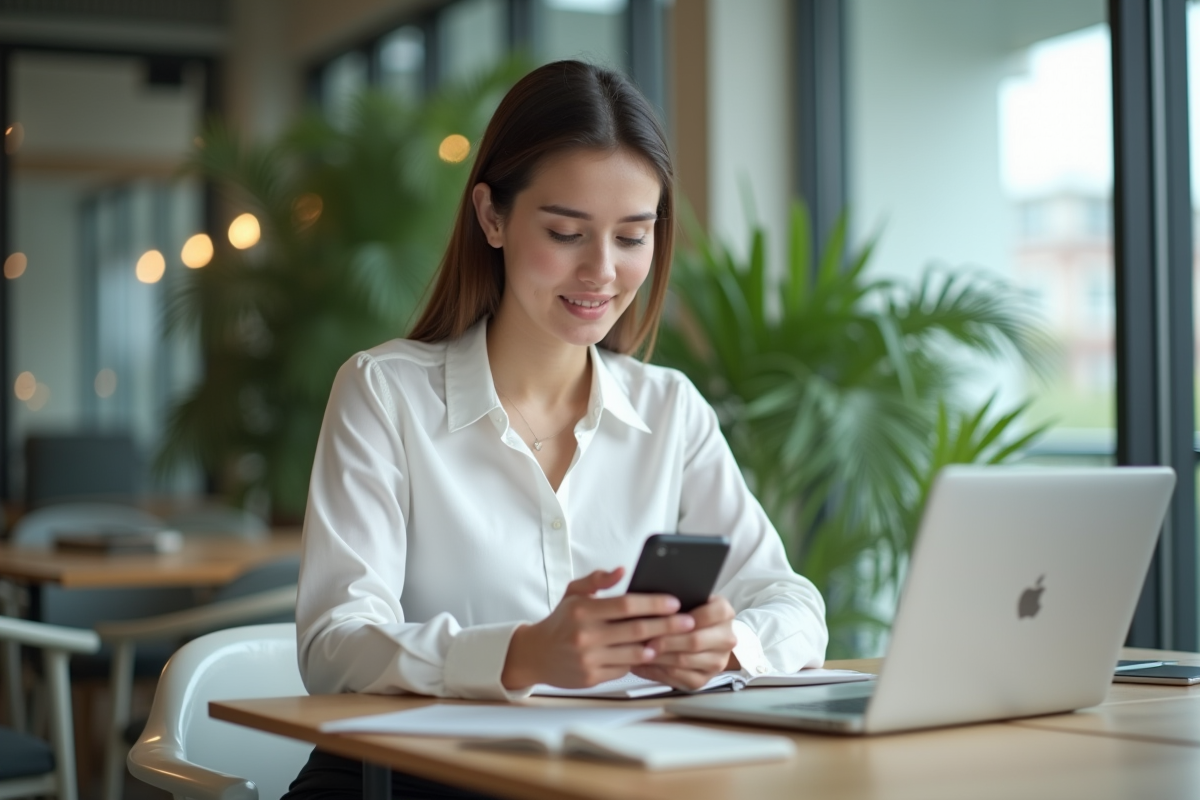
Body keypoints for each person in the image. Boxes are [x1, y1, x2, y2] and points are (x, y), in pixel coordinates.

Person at [286, 59, 828, 799]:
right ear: (491, 216)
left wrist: (730, 646)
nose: (601, 271)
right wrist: (520, 655)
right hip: (405, 780)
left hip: (607, 779)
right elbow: (334, 644)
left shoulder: (670, 410)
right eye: (567, 232)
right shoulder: (384, 393)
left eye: (632, 237)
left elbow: (791, 601)